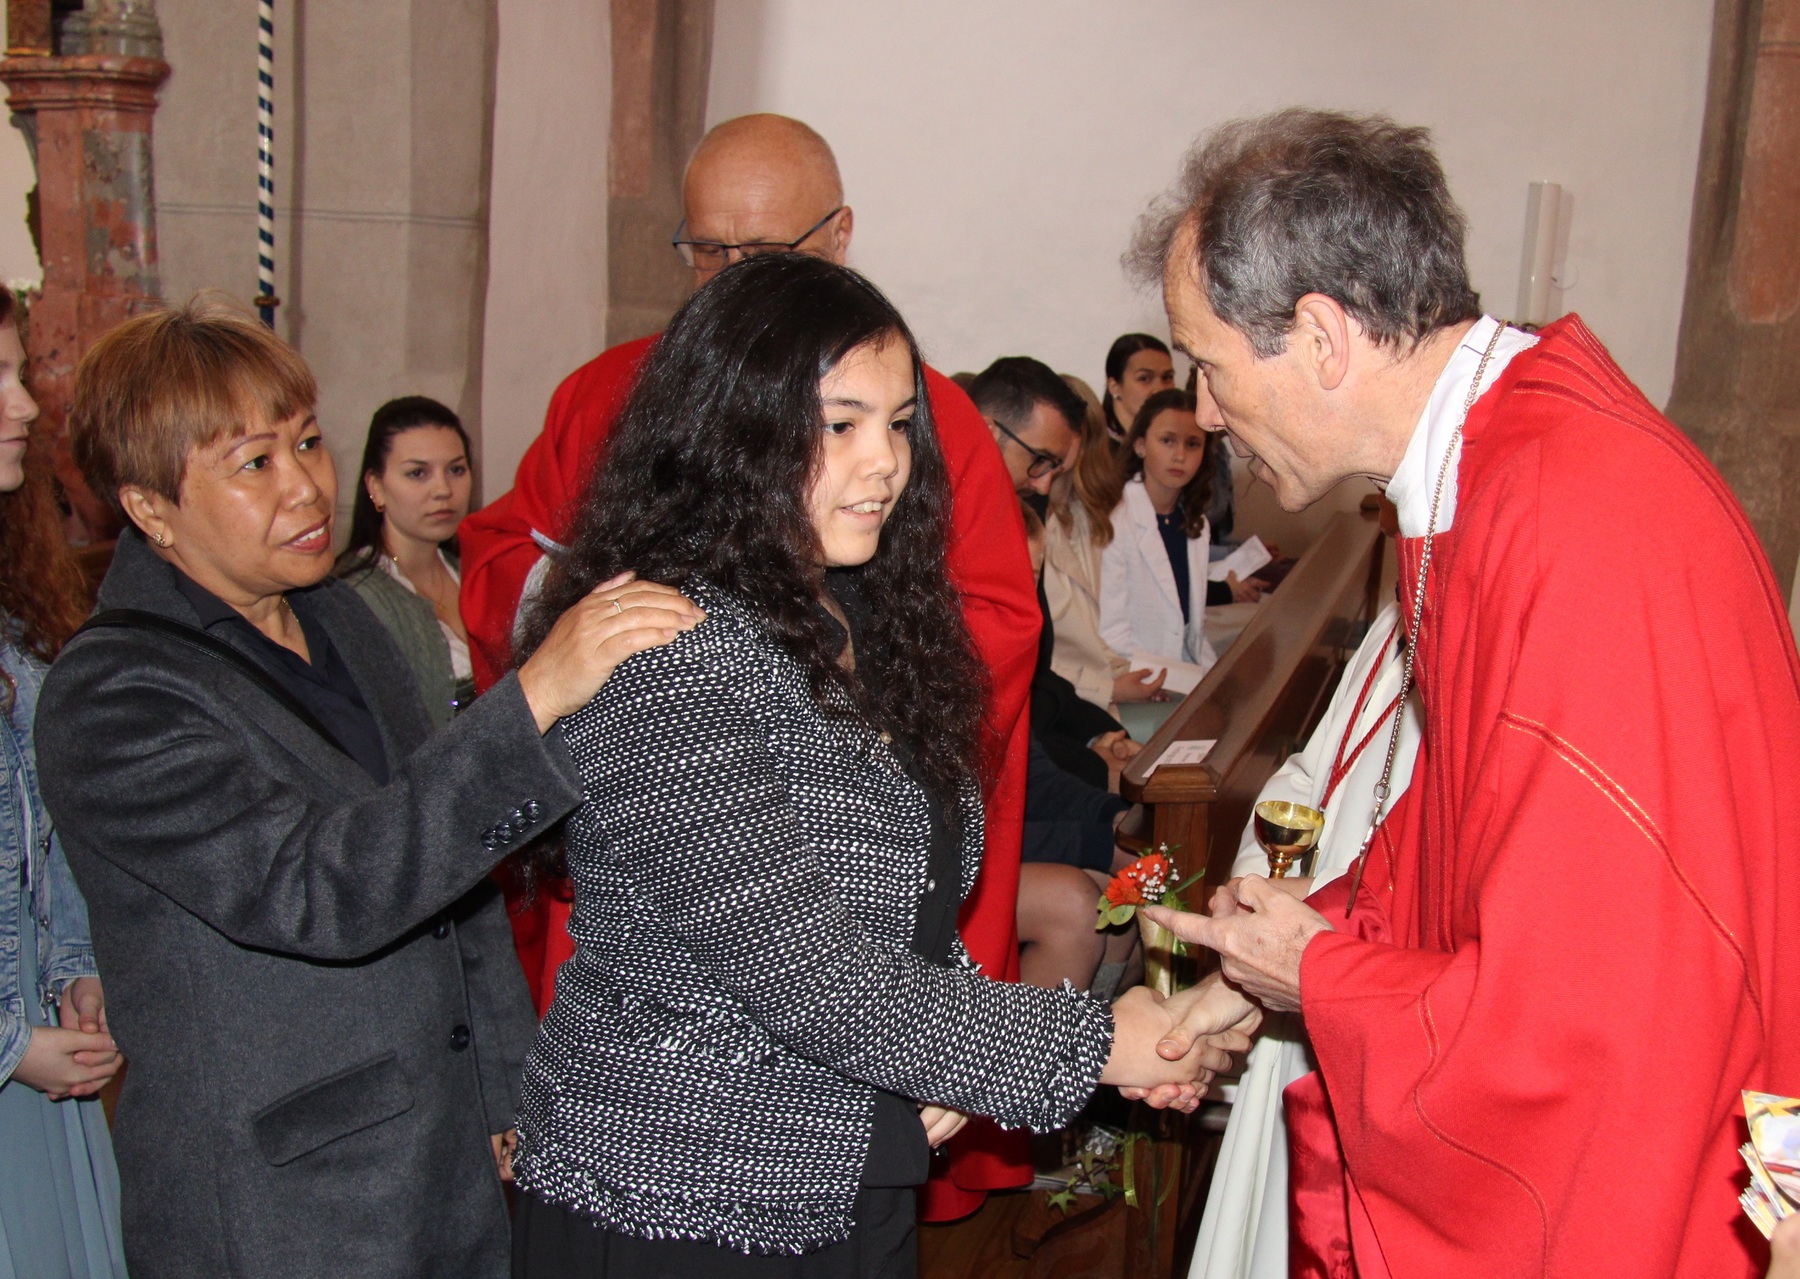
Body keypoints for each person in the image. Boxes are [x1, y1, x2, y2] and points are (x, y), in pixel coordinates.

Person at [1132, 108, 1800, 1278]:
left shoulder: (1571, 523)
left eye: (1211, 365)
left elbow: (1583, 1012)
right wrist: (1302, 943)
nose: (1208, 411)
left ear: (1322, 337)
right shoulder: (1490, 473)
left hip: (1643, 1164)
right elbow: (1467, 833)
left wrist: (1325, 978)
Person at [506, 254, 1254, 1275]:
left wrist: (953, 1054)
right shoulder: (665, 647)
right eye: (840, 424)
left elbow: (903, 900)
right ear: (734, 430)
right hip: (680, 1189)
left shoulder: (858, 609)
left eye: (900, 424)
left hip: (847, 1158)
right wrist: (1102, 1043)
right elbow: (809, 973)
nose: (885, 463)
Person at [35, 296, 702, 1279]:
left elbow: (451, 863)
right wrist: (533, 697)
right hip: (283, 1195)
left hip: (437, 1144)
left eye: (307, 442)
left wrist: (502, 1078)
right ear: (150, 509)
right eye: (254, 464)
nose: (306, 487)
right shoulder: (115, 695)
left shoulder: (336, 616)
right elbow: (319, 887)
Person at [457, 130, 1040, 1221]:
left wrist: (946, 1020)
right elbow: (507, 557)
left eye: (762, 249)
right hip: (681, 1140)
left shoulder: (918, 415)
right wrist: (587, 613)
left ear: (840, 235)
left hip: (852, 1004)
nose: (730, 276)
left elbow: (990, 632)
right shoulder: (610, 399)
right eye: (707, 249)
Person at [1189, 592, 1419, 1279]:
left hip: (1364, 982)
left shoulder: (1492, 631)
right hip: (1300, 959)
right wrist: (1256, 884)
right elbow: (1311, 770)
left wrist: (1317, 905)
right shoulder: (1401, 609)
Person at [0, 286, 128, 1278]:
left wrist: (80, 972)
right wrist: (11, 1043)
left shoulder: (16, 600)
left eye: (16, 372)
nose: (24, 404)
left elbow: (42, 829)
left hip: (40, 1045)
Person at [335, 395, 476, 726]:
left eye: (456, 469)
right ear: (375, 487)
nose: (443, 489)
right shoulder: (351, 596)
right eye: (417, 473)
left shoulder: (475, 571)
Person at [1044, 374, 1165, 711]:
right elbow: (1036, 659)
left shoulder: (1092, 516)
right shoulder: (1028, 524)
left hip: (1108, 679)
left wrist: (1130, 675)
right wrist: (1108, 689)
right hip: (1067, 698)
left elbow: (1105, 628)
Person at [1099, 388, 1224, 710]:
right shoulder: (1115, 520)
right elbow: (1112, 634)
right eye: (1167, 441)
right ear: (1140, 445)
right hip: (1134, 678)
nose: (1180, 455)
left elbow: (1192, 630)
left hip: (1181, 672)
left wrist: (1213, 677)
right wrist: (1176, 679)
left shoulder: (1195, 523)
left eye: (1192, 444)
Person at [1101, 332, 1175, 448]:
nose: (1160, 389)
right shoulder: (1092, 446)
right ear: (1114, 387)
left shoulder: (1178, 438)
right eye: (1144, 378)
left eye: (1167, 377)